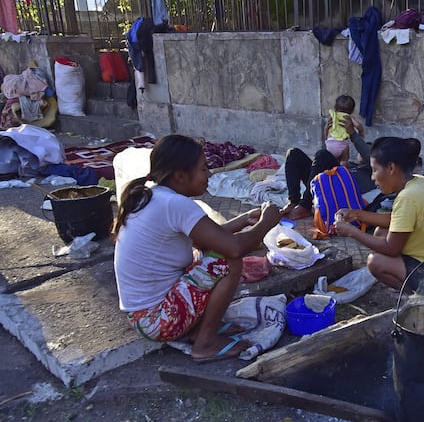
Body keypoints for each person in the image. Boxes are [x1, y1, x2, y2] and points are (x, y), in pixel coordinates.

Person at [113, 134, 281, 362]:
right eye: (204, 169)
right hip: (159, 321)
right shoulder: (176, 204)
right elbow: (233, 249)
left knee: (202, 254)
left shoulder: (154, 196)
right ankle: (205, 343)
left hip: (144, 318)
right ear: (181, 176)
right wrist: (266, 223)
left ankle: (199, 328)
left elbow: (204, 239)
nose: (210, 174)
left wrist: (242, 220)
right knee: (227, 261)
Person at [334, 136, 424, 298]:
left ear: (391, 168)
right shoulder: (420, 181)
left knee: (375, 262)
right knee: (380, 232)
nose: (372, 177)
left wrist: (351, 232)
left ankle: (416, 298)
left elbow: (392, 249)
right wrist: (356, 214)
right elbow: (397, 219)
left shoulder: (408, 197)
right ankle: (411, 283)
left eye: (375, 170)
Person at [281, 115, 371, 220]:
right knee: (293, 153)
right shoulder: (353, 164)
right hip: (324, 182)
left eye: (369, 147)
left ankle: (305, 205)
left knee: (322, 155)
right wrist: (327, 137)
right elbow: (321, 163)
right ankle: (294, 202)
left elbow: (368, 157)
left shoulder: (370, 171)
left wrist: (353, 133)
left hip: (340, 188)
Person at [324, 94, 365, 165]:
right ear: (352, 110)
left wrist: (326, 137)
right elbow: (358, 125)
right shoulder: (348, 117)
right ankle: (343, 171)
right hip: (342, 144)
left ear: (335, 107)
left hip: (330, 143)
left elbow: (326, 129)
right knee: (344, 160)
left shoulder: (333, 117)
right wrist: (361, 132)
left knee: (329, 162)